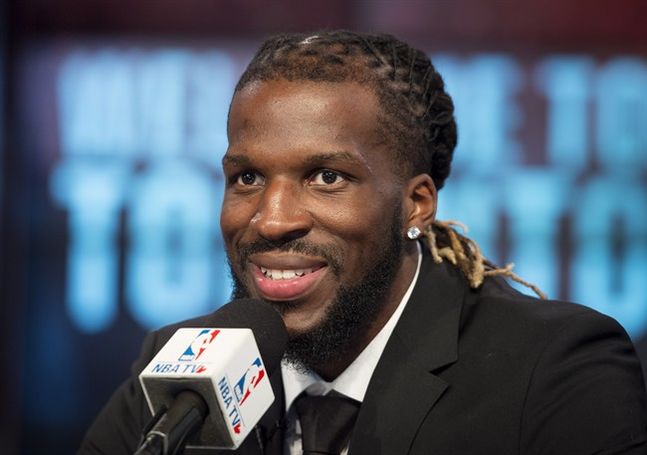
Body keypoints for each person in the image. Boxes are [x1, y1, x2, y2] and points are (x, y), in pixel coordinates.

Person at [79, 30, 647, 454]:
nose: (272, 221)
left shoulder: (553, 370)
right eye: (247, 177)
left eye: (327, 177)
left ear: (416, 204)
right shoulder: (177, 374)